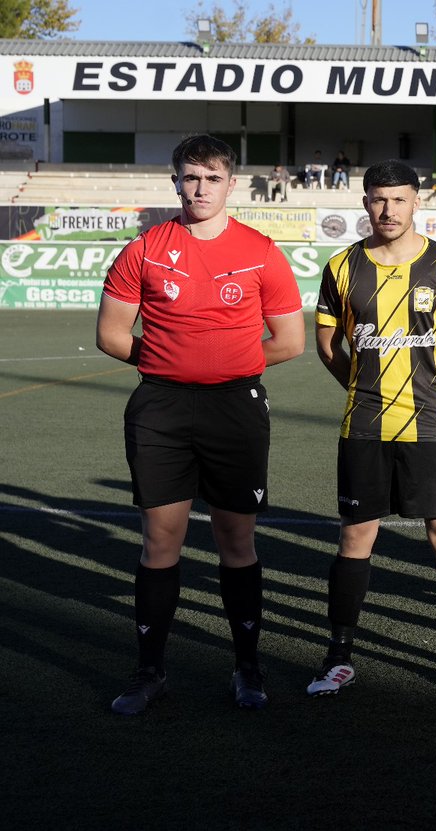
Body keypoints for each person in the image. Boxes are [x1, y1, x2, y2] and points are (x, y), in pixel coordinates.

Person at [96, 134, 305, 715]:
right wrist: (167, 362)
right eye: (191, 177)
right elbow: (112, 334)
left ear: (231, 184)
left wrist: (224, 364)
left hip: (234, 408)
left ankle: (247, 668)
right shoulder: (146, 248)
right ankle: (150, 672)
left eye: (213, 178)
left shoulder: (261, 251)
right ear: (175, 182)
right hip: (160, 408)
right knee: (160, 541)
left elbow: (289, 341)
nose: (200, 188)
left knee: (236, 541)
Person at [305, 159, 436, 699]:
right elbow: (326, 345)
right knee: (355, 539)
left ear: (418, 202)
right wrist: (363, 392)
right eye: (377, 199)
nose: (387, 210)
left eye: (399, 199)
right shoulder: (341, 267)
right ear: (365, 202)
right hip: (364, 429)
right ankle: (338, 658)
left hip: (432, 430)